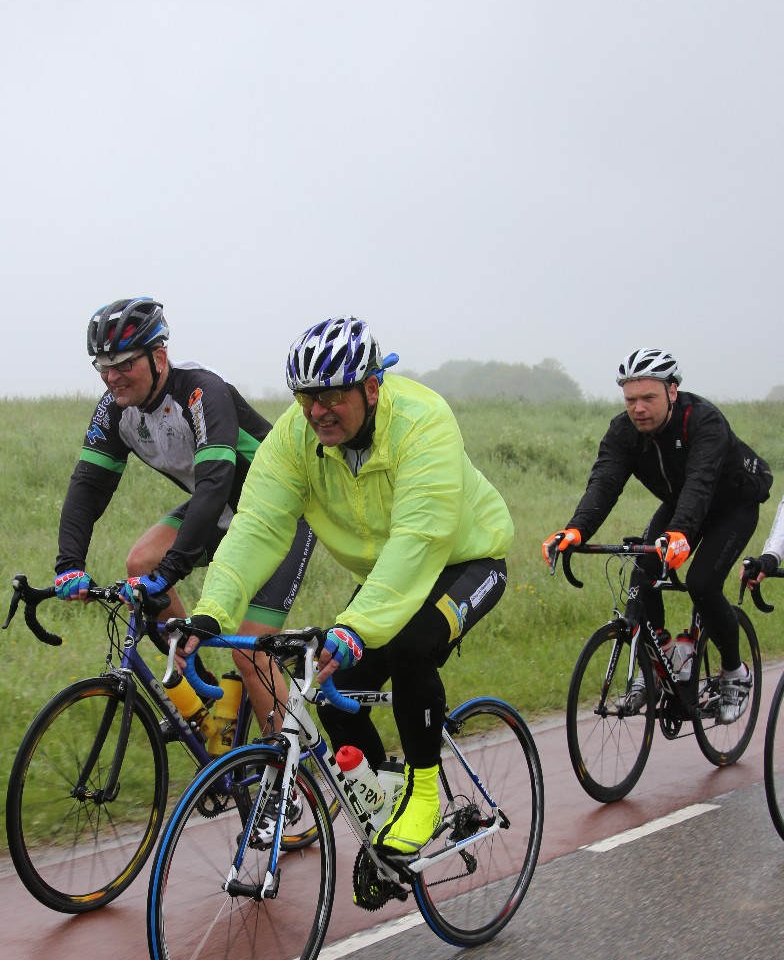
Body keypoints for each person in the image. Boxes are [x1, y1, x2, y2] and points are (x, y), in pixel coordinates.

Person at [176, 314, 514, 860]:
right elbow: (257, 527)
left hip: (466, 559)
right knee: (332, 692)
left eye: (332, 396)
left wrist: (356, 627)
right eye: (306, 398)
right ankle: (386, 805)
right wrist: (212, 611)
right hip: (388, 579)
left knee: (408, 645)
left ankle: (424, 795)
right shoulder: (296, 437)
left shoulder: (422, 420)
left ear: (371, 388)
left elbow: (420, 539)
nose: (317, 411)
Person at [54, 296, 315, 731]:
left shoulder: (201, 392)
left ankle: (286, 765)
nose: (112, 377)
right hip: (220, 509)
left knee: (250, 651)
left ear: (159, 357)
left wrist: (172, 569)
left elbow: (214, 483)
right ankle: (202, 699)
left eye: (124, 364)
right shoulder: (116, 409)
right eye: (103, 366)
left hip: (280, 516)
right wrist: (69, 564)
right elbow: (88, 487)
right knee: (141, 562)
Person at [542, 348, 772, 723]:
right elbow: (604, 482)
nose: (639, 408)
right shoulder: (623, 432)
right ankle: (661, 658)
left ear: (672, 391)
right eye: (630, 399)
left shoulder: (704, 421)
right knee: (643, 569)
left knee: (702, 583)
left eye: (648, 397)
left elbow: (701, 482)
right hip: (682, 503)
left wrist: (680, 533)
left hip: (732, 506)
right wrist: (576, 529)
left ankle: (735, 672)